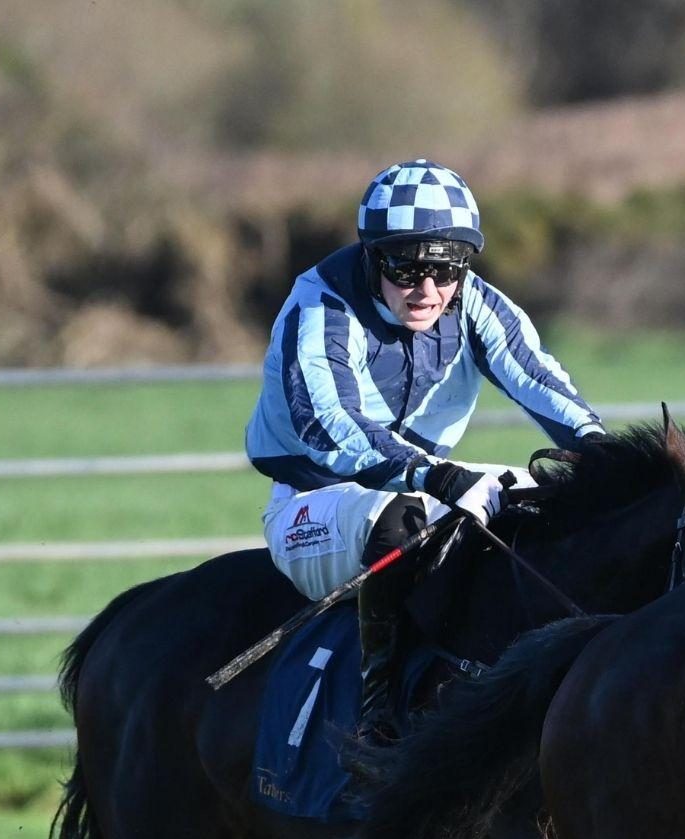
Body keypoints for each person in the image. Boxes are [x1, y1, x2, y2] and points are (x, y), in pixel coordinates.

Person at [244, 159, 605, 737]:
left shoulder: (476, 302)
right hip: (315, 501)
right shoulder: (318, 309)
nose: (428, 289)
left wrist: (603, 456)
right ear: (371, 256)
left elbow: (541, 382)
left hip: (426, 480)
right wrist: (437, 478)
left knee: (563, 503)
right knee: (400, 519)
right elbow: (330, 424)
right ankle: (379, 714)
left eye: (447, 268)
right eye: (407, 267)